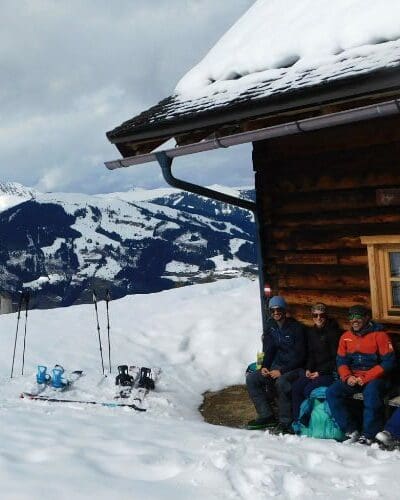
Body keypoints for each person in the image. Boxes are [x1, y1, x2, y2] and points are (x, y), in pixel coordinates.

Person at [326, 305, 396, 445]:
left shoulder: (380, 335)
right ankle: (351, 430)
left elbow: (389, 362)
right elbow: (341, 360)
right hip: (354, 377)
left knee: (371, 394)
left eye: (358, 317)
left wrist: (365, 378)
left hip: (377, 377)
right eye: (351, 317)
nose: (354, 320)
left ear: (366, 317)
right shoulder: (346, 337)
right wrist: (347, 376)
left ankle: (368, 435)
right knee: (332, 392)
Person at [246, 295, 306, 432]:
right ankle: (266, 416)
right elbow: (269, 349)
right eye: (272, 310)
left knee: (281, 382)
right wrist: (265, 366)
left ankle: (286, 422)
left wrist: (282, 371)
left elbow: (301, 357)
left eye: (279, 310)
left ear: (284, 310)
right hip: (276, 366)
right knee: (252, 379)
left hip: (295, 368)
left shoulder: (296, 328)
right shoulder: (271, 327)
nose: (276, 313)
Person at [291, 303, 342, 424]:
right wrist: (308, 369)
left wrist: (320, 372)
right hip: (315, 372)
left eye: (321, 315)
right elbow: (311, 354)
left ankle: (307, 420)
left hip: (330, 373)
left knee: (309, 389)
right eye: (315, 315)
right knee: (297, 387)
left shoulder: (333, 332)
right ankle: (297, 420)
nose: (318, 318)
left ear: (326, 316)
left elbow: (336, 358)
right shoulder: (312, 332)